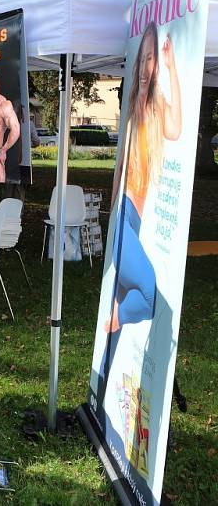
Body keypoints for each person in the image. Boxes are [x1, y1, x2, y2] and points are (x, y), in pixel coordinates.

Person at [100, 22, 181, 384]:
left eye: (151, 59)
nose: (146, 64)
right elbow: (121, 164)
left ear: (155, 65)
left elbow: (176, 129)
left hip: (135, 219)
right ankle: (117, 316)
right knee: (146, 291)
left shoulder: (156, 105)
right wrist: (110, 216)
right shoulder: (132, 104)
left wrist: (173, 66)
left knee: (116, 333)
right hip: (123, 213)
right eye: (143, 57)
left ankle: (102, 386)